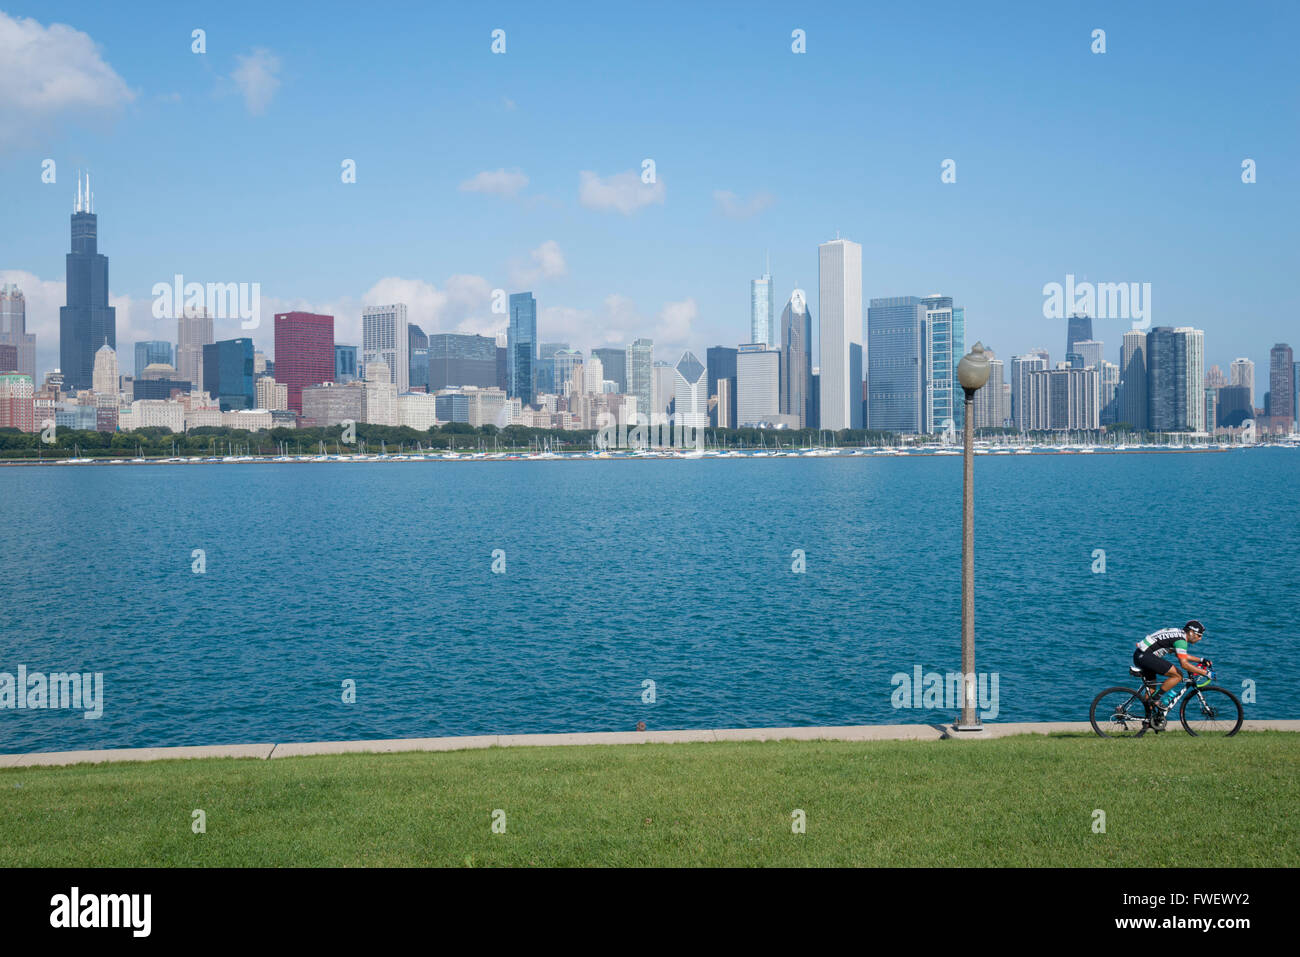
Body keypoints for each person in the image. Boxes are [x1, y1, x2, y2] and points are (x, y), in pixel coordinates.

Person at [1134, 620, 1212, 713]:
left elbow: (1181, 654)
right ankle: (1156, 699)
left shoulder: (1178, 633)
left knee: (1152, 690)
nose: (1200, 638)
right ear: (1191, 632)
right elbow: (1184, 664)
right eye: (1199, 635)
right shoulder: (1181, 641)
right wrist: (1206, 673)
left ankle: (1148, 720)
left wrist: (1201, 660)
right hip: (1146, 657)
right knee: (1178, 675)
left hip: (1140, 655)